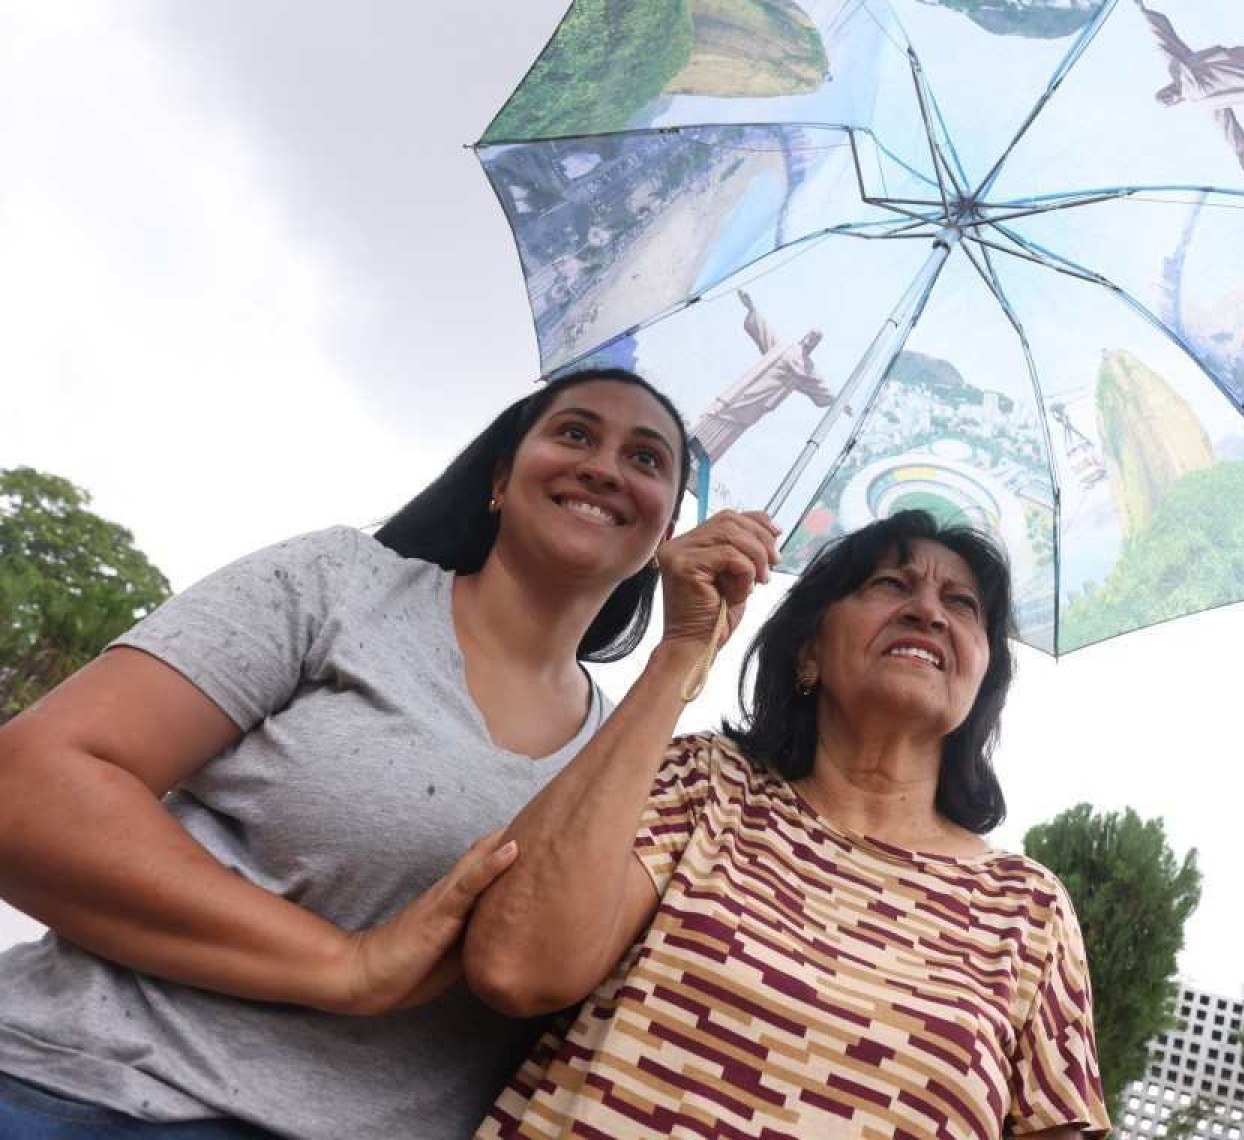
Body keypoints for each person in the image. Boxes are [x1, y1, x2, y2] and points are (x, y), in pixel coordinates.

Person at [0, 368, 783, 1140]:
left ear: (665, 535)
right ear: (501, 478)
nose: (605, 468)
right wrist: (348, 966)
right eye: (576, 433)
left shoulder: (634, 759)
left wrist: (683, 654)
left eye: (647, 459)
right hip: (79, 1092)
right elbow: (29, 788)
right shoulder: (341, 583)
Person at [475, 509, 1111, 1139]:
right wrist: (682, 652)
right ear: (809, 650)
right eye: (889, 584)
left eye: (963, 603)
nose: (929, 612)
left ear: (980, 682)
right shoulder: (705, 785)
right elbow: (517, 965)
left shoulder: (1026, 911)